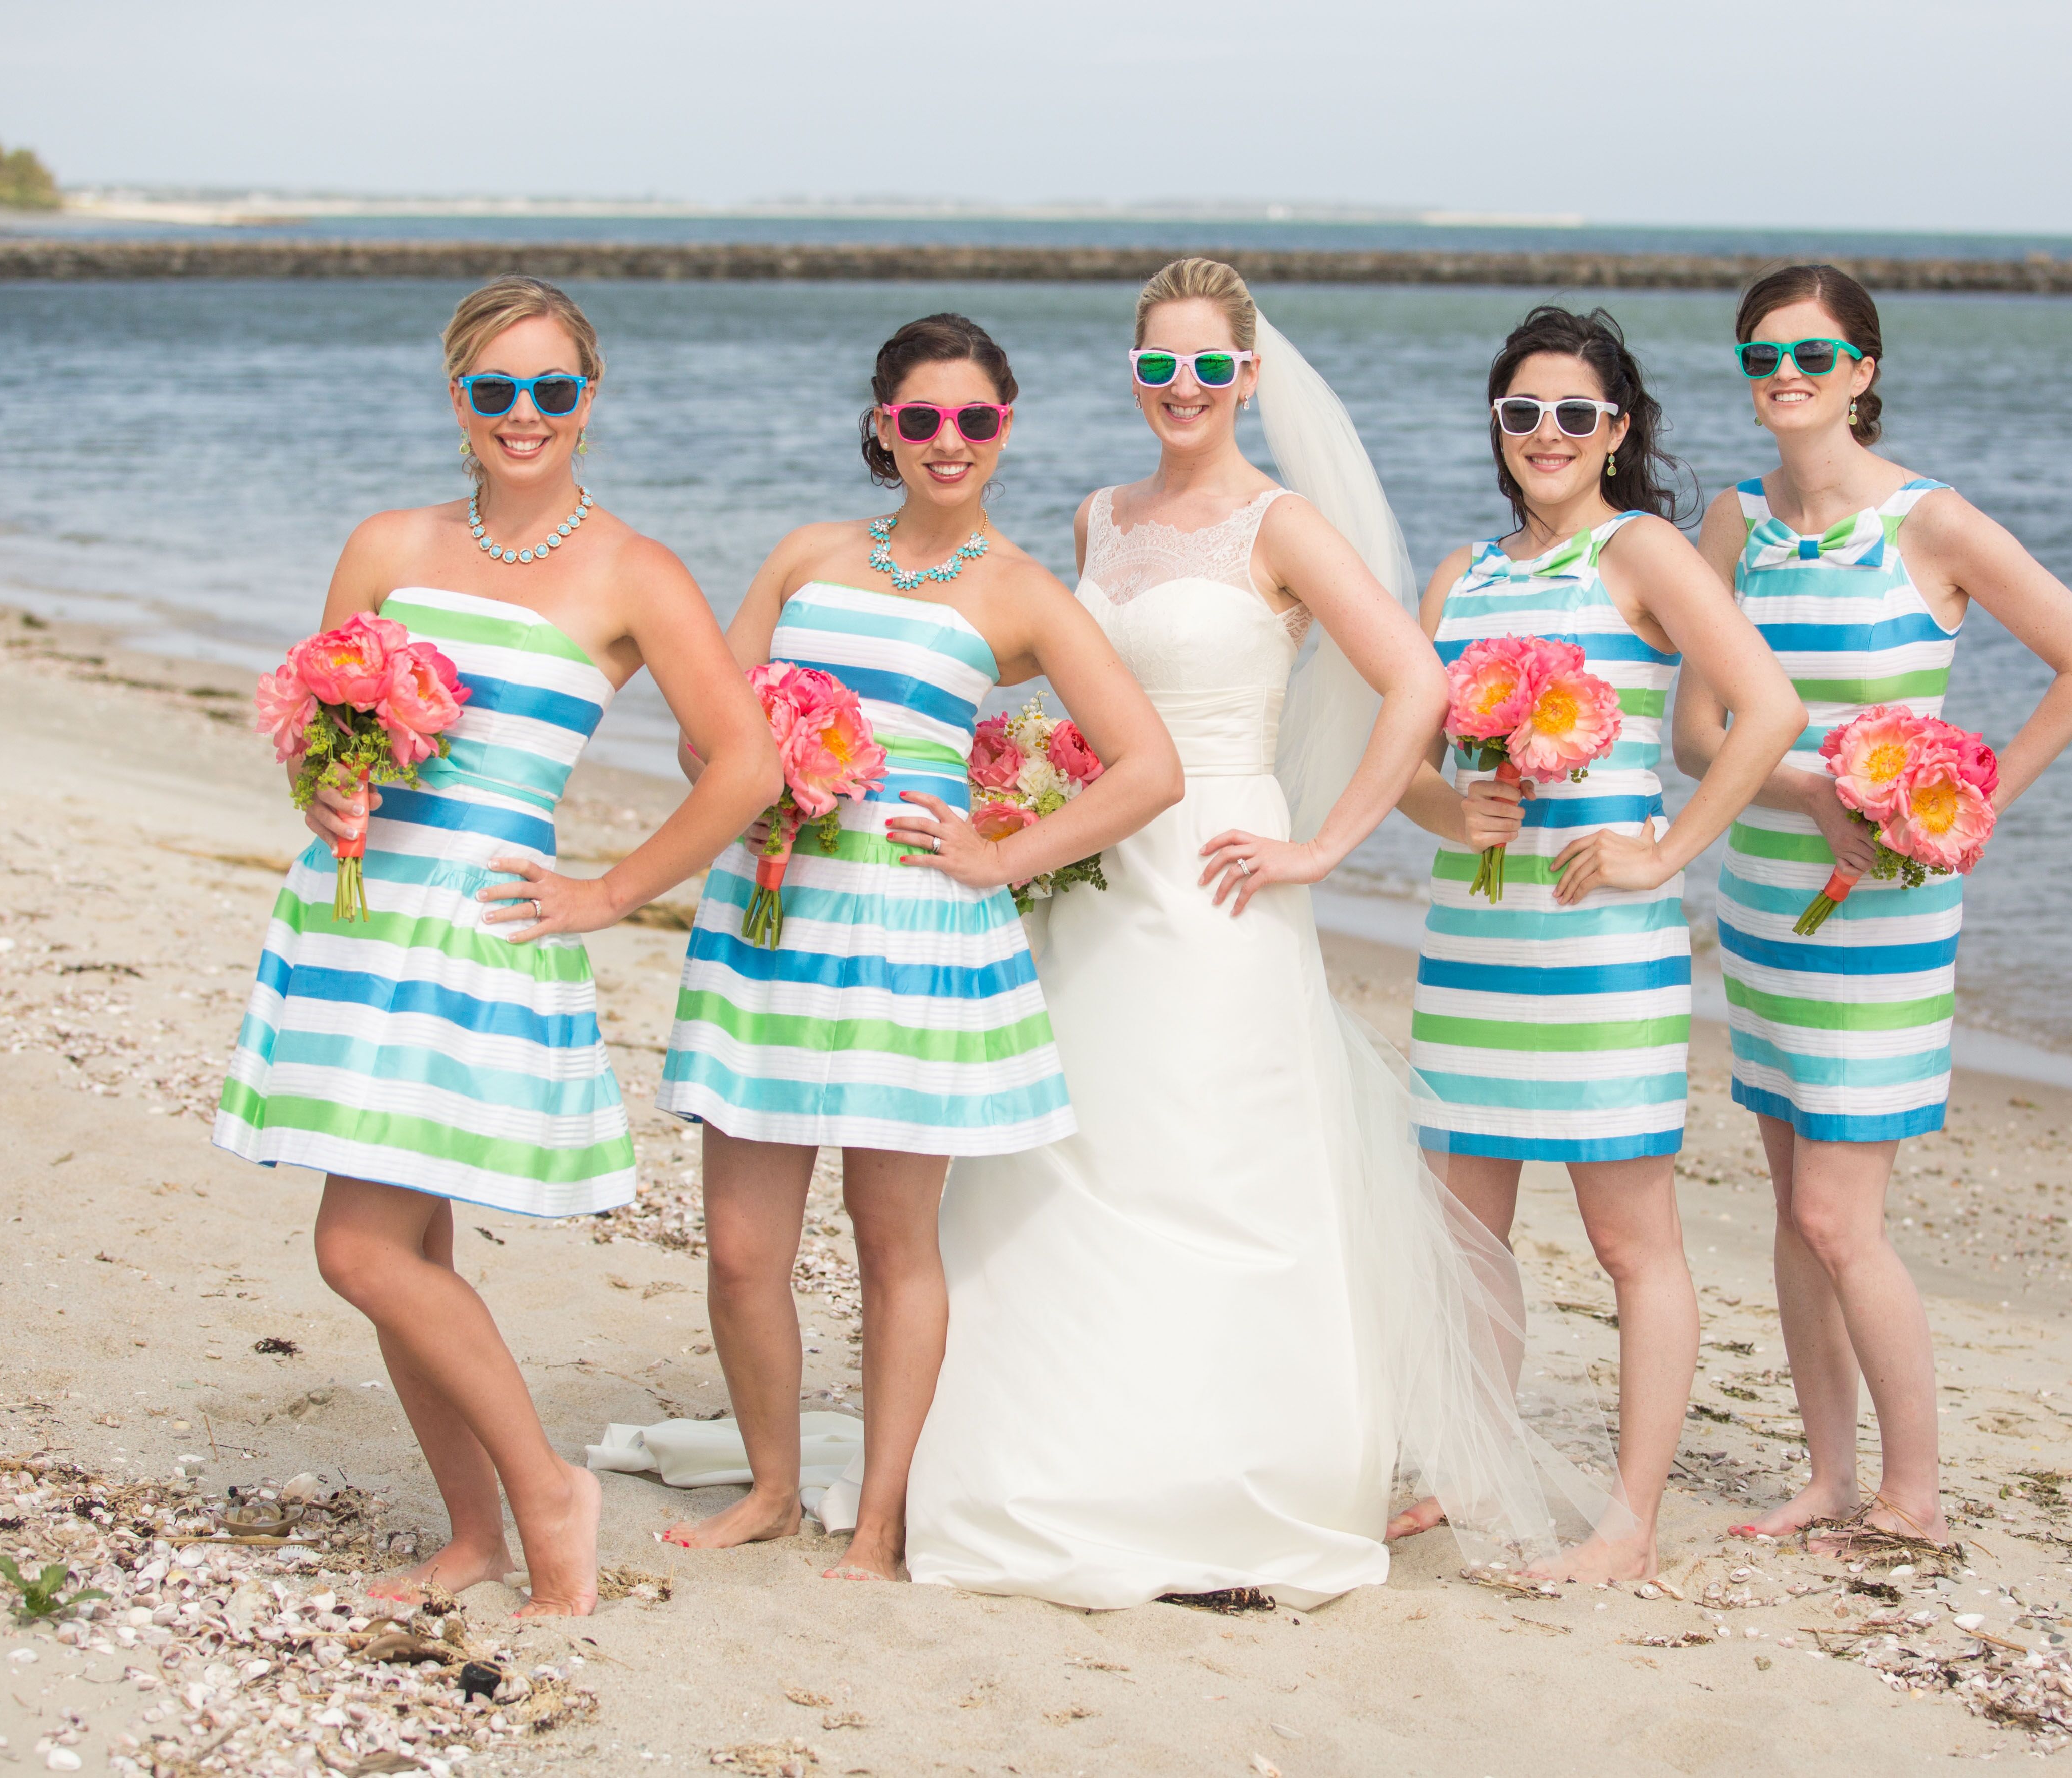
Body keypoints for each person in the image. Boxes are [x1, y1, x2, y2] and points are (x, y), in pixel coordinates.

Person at [906, 259, 1621, 1609]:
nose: (1184, 390)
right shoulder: (1094, 518)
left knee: (1221, 1164)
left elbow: (1413, 681)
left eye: (1208, 368)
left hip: (1230, 875)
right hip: (1098, 873)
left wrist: (1323, 844)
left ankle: (1241, 1470)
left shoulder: (1278, 525)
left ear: (1247, 377)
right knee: (1073, 1158)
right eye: (1158, 367)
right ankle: (1064, 1455)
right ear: (1134, 375)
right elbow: (1059, 677)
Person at [213, 275, 783, 1616]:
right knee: (408, 1255)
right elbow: (315, 731)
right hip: (357, 923)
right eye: (494, 391)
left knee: (356, 1253)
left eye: (553, 391)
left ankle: (547, 1491)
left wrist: (609, 891)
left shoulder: (634, 571)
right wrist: (324, 792)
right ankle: (473, 1536)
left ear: (592, 400)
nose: (523, 416)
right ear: (456, 397)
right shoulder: (386, 544)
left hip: (480, 939)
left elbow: (745, 765)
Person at [656, 313, 1179, 1582]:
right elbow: (702, 734)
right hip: (773, 915)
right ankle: (773, 1484)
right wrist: (763, 778)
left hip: (916, 937)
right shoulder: (803, 555)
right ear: (883, 423)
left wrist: (1001, 858)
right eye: (924, 418)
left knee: (893, 1240)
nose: (950, 443)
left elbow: (1150, 765)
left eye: (977, 421)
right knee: (739, 1250)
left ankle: (882, 1516)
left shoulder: (1020, 593)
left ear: (1005, 431)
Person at [1683, 265, 2072, 1542]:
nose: (1784, 378)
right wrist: (1813, 782)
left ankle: (1913, 1496)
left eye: (1811, 358)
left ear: (1862, 373)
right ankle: (1825, 1476)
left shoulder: (1928, 524)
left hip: (1884, 913)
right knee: (1787, 1203)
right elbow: (1693, 733)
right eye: (1761, 356)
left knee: (1836, 1212)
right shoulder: (1731, 523)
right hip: (1763, 892)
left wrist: (1966, 811)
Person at [1392, 305, 1804, 1580]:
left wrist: (1667, 849)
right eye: (1523, 413)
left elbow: (1769, 707)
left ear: (1617, 429)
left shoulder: (1645, 554)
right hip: (1474, 939)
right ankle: (1469, 1468)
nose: (1548, 434)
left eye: (1576, 413)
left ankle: (1627, 1521)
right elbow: (1404, 761)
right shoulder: (1460, 573)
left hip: (1602, 949)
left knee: (1633, 1243)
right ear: (1498, 428)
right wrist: (1452, 806)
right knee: (1465, 1238)